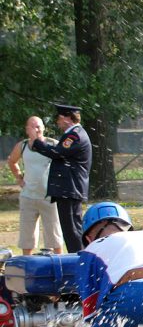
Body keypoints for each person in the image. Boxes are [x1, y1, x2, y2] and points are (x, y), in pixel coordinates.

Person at [31, 104, 92, 253]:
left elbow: (58, 153)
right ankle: (79, 257)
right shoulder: (74, 134)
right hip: (69, 188)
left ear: (66, 118)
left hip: (70, 188)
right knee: (71, 229)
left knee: (72, 230)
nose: (57, 122)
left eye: (59, 118)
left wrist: (37, 142)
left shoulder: (74, 135)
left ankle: (79, 260)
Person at [7, 116, 64, 255]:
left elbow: (65, 162)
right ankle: (28, 269)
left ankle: (60, 267)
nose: (36, 129)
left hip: (49, 197)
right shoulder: (23, 145)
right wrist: (19, 178)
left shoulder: (53, 144)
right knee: (27, 238)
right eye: (32, 126)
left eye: (38, 126)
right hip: (28, 196)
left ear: (44, 128)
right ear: (27, 129)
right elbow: (12, 161)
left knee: (54, 236)